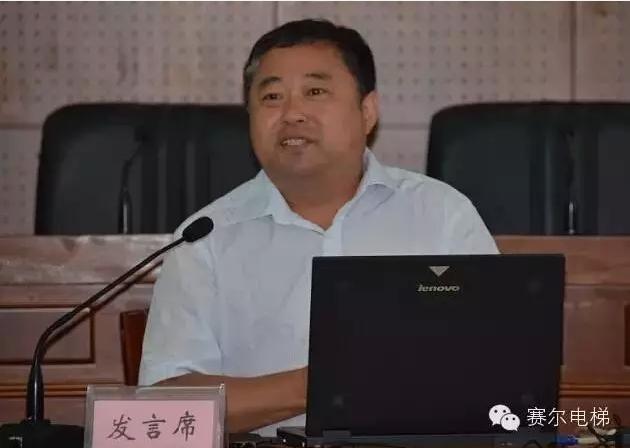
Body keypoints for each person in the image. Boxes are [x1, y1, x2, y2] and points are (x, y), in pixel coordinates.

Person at [138, 18, 498, 435]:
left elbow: (497, 363)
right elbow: (167, 405)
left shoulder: (441, 214)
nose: (292, 113)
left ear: (367, 111)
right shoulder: (205, 238)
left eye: (315, 92)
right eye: (272, 97)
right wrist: (326, 382)